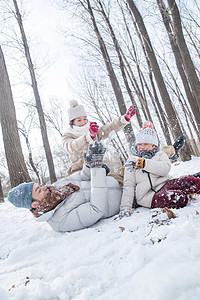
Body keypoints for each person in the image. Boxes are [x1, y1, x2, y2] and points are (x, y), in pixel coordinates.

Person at [8, 142, 122, 232]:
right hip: (124, 198)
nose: (44, 187)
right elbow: (96, 209)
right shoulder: (59, 222)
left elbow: (82, 177)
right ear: (35, 204)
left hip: (115, 179)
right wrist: (96, 169)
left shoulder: (56, 187)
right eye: (39, 190)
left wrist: (89, 163)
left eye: (40, 185)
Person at [119, 122, 200, 218]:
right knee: (177, 198)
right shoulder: (132, 161)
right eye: (139, 144)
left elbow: (165, 169)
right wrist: (125, 207)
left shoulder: (160, 154)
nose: (142, 147)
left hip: (165, 183)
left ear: (154, 146)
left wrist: (145, 164)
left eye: (146, 144)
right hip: (148, 196)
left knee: (189, 181)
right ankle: (184, 195)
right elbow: (129, 184)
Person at [62, 100, 137, 176]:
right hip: (78, 172)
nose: (83, 122)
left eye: (85, 119)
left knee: (115, 180)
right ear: (72, 122)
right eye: (79, 120)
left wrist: (124, 119)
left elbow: (109, 128)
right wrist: (89, 136)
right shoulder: (68, 136)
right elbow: (71, 147)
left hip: (96, 169)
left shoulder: (93, 130)